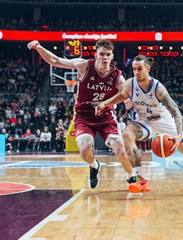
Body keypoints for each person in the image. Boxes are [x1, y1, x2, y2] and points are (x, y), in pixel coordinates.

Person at [95, 55, 183, 195]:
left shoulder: (157, 88)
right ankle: (140, 177)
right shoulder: (130, 84)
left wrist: (178, 135)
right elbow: (121, 95)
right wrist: (105, 103)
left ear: (147, 69)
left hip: (163, 121)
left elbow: (176, 112)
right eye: (134, 69)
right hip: (144, 121)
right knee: (127, 134)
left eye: (139, 69)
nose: (136, 72)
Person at [27, 39, 135, 190]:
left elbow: (126, 91)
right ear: (96, 55)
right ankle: (94, 165)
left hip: (105, 118)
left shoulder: (117, 76)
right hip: (84, 117)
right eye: (101, 54)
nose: (104, 57)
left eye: (108, 54)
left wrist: (130, 99)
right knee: (84, 150)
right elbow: (55, 60)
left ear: (111, 57)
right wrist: (39, 48)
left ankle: (132, 177)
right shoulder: (84, 65)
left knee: (120, 150)